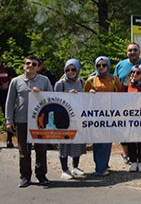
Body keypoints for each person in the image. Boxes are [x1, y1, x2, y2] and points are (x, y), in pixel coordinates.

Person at [5, 55, 53, 187]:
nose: (30, 66)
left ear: (38, 67)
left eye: (33, 64)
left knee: (41, 149)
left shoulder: (44, 80)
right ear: (23, 65)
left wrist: (41, 94)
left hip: (40, 121)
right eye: (28, 63)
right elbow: (9, 102)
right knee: (23, 150)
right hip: (21, 120)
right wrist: (9, 120)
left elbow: (53, 99)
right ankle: (25, 177)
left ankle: (41, 175)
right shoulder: (16, 81)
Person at [114, 42, 141, 164]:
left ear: (139, 51)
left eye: (135, 50)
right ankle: (128, 156)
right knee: (125, 133)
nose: (132, 52)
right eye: (130, 50)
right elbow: (115, 83)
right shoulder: (120, 65)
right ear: (127, 52)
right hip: (124, 105)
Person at [84, 56, 122, 177]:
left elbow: (119, 95)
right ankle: (99, 167)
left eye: (104, 65)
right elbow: (83, 97)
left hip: (110, 115)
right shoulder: (90, 80)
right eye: (98, 65)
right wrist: (89, 93)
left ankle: (104, 165)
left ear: (108, 66)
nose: (101, 67)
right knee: (97, 142)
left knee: (107, 142)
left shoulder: (114, 79)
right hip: (95, 115)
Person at [54, 59, 87, 180]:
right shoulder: (60, 83)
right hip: (64, 118)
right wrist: (68, 94)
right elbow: (55, 100)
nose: (70, 72)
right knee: (64, 143)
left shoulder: (81, 82)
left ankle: (75, 167)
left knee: (77, 142)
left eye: (73, 69)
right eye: (68, 70)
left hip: (77, 116)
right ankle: (64, 169)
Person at [124, 64, 141, 172]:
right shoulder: (127, 85)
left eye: (138, 72)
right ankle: (133, 161)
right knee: (130, 140)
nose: (135, 74)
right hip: (130, 117)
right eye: (133, 72)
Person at [1, 58, 18, 148]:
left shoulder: (8, 70)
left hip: (5, 96)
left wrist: (8, 84)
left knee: (9, 117)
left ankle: (9, 139)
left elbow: (16, 80)